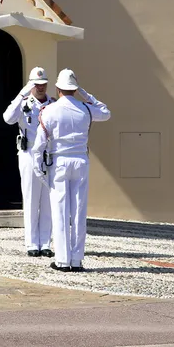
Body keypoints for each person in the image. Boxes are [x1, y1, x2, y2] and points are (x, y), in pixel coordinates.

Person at [32, 68, 111, 272]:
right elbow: (105, 112)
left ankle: (62, 260)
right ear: (75, 89)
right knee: (78, 210)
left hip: (59, 162)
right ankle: (76, 260)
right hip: (80, 161)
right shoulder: (85, 108)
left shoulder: (49, 110)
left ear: (57, 88)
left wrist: (38, 168)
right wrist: (85, 93)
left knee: (59, 210)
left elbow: (39, 145)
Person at [3, 67, 55, 257]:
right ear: (30, 85)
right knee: (31, 199)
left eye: (43, 84)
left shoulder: (53, 104)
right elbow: (8, 118)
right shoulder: (24, 103)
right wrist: (20, 95)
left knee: (48, 201)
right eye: (36, 84)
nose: (40, 88)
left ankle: (46, 243)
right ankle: (32, 243)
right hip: (28, 153)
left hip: (48, 155)